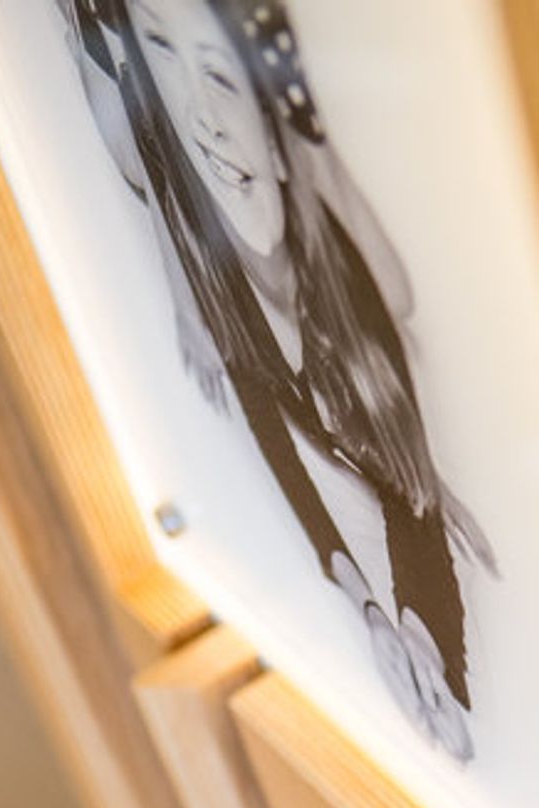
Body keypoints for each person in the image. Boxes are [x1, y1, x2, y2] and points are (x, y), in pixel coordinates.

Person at [59, 0, 495, 760]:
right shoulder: (165, 176)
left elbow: (400, 495)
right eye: (163, 54)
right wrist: (371, 609)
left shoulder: (350, 295)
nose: (206, 118)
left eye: (225, 78)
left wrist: (410, 634)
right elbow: (277, 436)